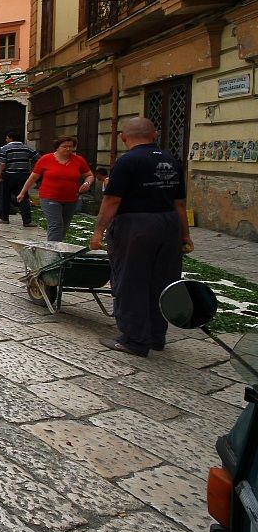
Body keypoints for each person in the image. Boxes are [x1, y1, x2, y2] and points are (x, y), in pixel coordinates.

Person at [90, 117, 192, 357]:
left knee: (130, 280)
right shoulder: (171, 160)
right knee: (163, 281)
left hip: (136, 225)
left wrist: (98, 231)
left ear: (124, 137)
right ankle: (157, 336)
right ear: (154, 135)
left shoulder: (127, 161)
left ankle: (134, 339)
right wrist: (185, 234)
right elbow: (179, 203)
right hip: (168, 224)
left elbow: (112, 199)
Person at [16, 136, 94, 242]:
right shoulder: (46, 159)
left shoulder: (78, 160)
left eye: (70, 147)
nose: (68, 149)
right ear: (57, 147)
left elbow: (89, 175)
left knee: (64, 226)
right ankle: (52, 253)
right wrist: (22, 192)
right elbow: (33, 177)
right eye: (64, 146)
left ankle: (57, 248)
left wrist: (87, 183)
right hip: (49, 197)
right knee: (56, 224)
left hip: (71, 198)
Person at [0, 131, 38, 227]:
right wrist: (31, 169)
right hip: (23, 175)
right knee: (23, 196)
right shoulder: (27, 148)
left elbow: (2, 163)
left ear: (10, 138)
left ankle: (4, 218)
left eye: (7, 138)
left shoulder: (5, 148)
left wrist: (0, 173)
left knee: (5, 197)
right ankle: (27, 220)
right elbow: (37, 158)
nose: (6, 140)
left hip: (9, 175)